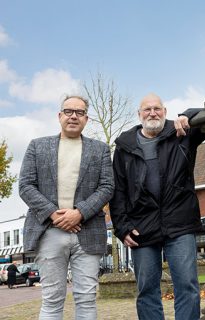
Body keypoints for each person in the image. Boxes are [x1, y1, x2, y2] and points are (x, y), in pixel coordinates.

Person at [109, 93, 205, 320]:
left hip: (180, 223)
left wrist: (186, 115)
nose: (152, 113)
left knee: (187, 286)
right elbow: (118, 191)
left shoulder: (181, 134)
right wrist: (122, 227)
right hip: (142, 228)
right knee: (147, 291)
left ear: (165, 111)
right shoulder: (124, 147)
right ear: (139, 114)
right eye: (147, 109)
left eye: (157, 109)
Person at [19, 95, 114, 319]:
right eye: (68, 111)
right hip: (49, 231)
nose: (73, 116)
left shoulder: (100, 149)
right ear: (59, 115)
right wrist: (54, 215)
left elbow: (108, 186)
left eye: (79, 112)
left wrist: (79, 213)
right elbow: (25, 186)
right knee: (52, 298)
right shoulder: (37, 146)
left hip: (88, 231)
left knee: (87, 298)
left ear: (86, 119)